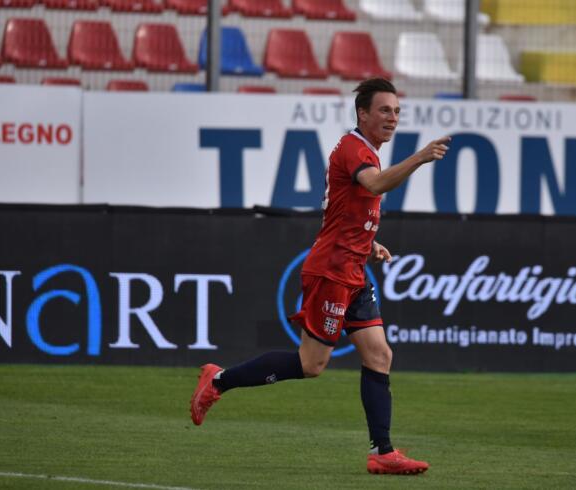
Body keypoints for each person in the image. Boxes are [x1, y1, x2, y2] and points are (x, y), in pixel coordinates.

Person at [190, 77, 450, 475]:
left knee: (380, 354)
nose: (392, 118)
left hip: (354, 268)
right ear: (362, 114)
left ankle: (383, 452)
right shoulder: (353, 148)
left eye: (397, 111)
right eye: (384, 110)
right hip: (331, 272)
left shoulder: (365, 151)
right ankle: (218, 380)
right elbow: (375, 184)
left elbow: (347, 208)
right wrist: (419, 158)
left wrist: (369, 242)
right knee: (311, 365)